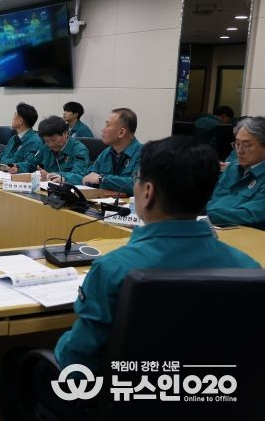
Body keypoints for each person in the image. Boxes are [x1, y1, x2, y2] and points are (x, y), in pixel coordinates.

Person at [52, 136, 260, 375]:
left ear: (147, 192)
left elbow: (77, 361)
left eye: (136, 179)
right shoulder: (249, 268)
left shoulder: (112, 269)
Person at [207, 116, 265, 229]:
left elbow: (249, 214)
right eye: (237, 144)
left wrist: (203, 213)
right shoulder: (232, 168)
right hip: (211, 226)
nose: (240, 151)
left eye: (247, 145)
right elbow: (209, 196)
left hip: (246, 234)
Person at [74, 108, 142, 195]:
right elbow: (87, 176)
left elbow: (137, 185)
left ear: (121, 132)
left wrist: (102, 179)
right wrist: (63, 178)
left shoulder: (143, 154)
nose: (103, 130)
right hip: (102, 201)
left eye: (107, 125)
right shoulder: (107, 152)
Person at [9, 115, 90, 182]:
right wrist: (17, 167)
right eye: (47, 141)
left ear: (65, 134)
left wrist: (56, 176)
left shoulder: (79, 150)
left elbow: (80, 175)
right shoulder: (46, 147)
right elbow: (32, 163)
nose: (51, 144)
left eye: (53, 140)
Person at [0, 102, 42, 167]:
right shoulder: (12, 139)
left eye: (15, 115)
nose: (13, 118)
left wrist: (15, 167)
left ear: (20, 121)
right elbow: (1, 158)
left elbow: (29, 164)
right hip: (1, 171)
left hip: (15, 172)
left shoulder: (35, 141)